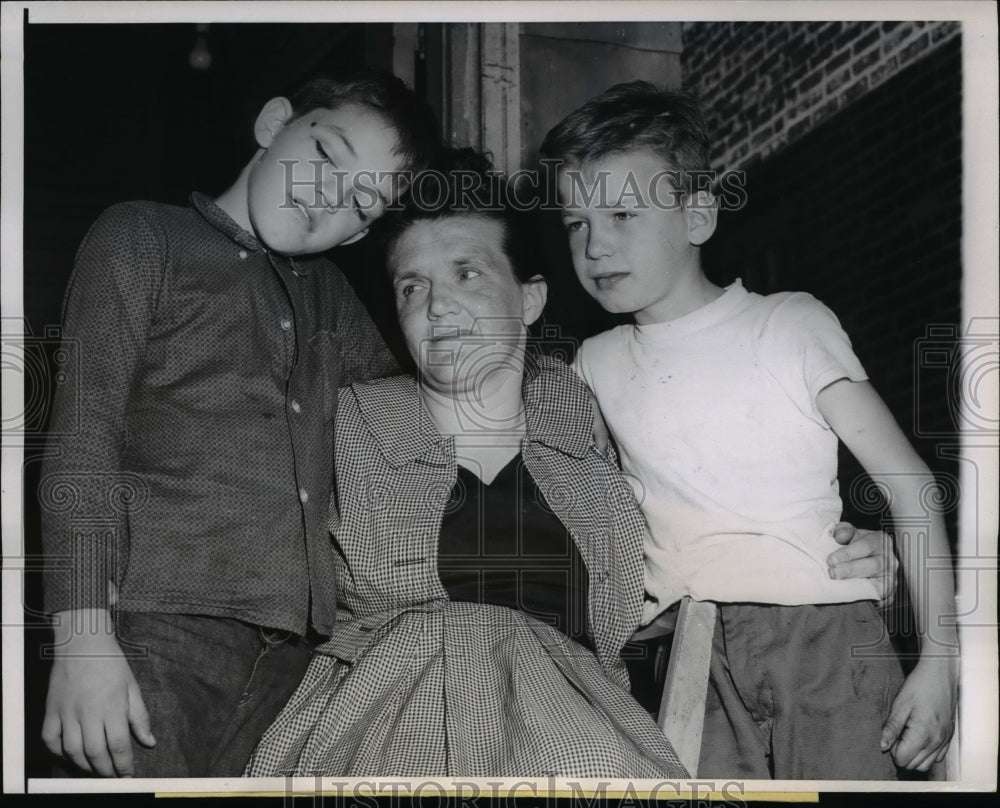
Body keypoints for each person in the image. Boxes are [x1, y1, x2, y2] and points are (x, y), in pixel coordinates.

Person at [244, 150, 895, 778]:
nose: (437, 306)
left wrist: (844, 546)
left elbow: (706, 499)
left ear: (529, 300)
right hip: (385, 728)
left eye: (467, 273)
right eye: (413, 287)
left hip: (579, 727)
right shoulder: (343, 422)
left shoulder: (589, 412)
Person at [540, 82, 959, 779]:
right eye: (576, 223)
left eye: (621, 212)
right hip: (690, 652)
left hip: (824, 636)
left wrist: (943, 664)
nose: (595, 245)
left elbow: (912, 487)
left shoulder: (789, 323)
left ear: (698, 216)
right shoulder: (595, 365)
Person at [39, 70, 440, 778]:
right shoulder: (143, 236)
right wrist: (81, 637)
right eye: (328, 156)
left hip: (301, 667)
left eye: (362, 200)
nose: (328, 199)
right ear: (273, 121)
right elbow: (83, 435)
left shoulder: (335, 299)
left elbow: (405, 427)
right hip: (156, 626)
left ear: (365, 233)